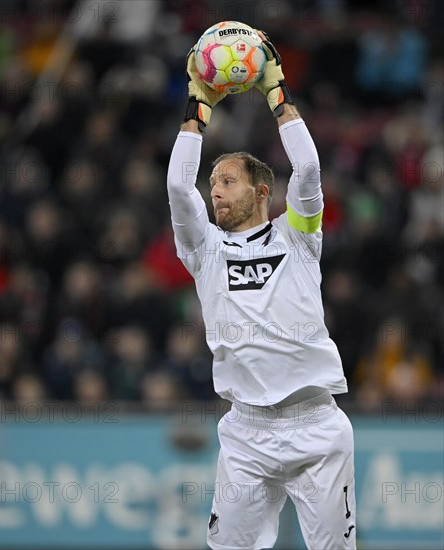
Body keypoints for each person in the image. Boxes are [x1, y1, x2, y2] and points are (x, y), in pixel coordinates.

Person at [167, 30, 356, 550]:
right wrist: (197, 108)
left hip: (316, 424)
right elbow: (178, 188)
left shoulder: (297, 233)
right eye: (214, 183)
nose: (216, 190)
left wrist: (276, 91)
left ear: (262, 190)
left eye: (227, 180)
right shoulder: (203, 249)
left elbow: (310, 168)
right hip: (246, 432)